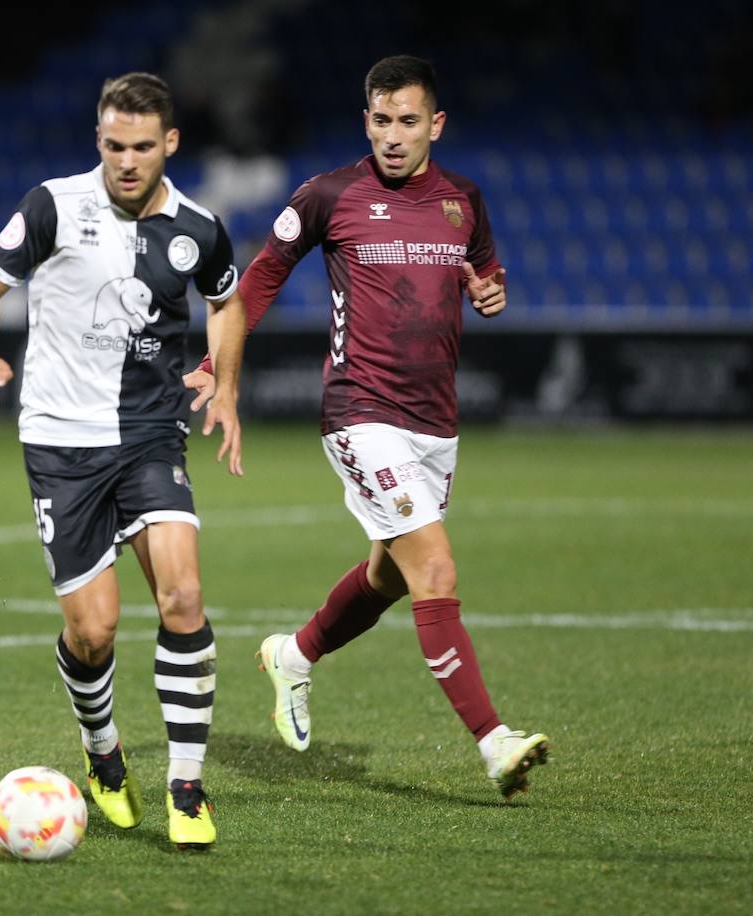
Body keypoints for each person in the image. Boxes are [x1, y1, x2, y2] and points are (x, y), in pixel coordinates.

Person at [186, 55, 549, 799]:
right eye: (381, 121)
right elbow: (257, 282)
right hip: (360, 411)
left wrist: (491, 294)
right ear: (366, 122)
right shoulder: (330, 195)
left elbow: (486, 272)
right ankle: (493, 742)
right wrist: (219, 370)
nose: (393, 135)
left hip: (433, 423)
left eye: (408, 121)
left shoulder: (464, 201)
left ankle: (295, 653)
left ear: (435, 125)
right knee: (437, 571)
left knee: (391, 573)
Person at [0, 72, 247, 847]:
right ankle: (103, 753)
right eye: (115, 145)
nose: (127, 161)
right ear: (99, 140)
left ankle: (187, 790)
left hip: (150, 433)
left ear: (170, 144)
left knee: (182, 596)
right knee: (94, 632)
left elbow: (227, 298)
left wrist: (224, 380)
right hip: (60, 442)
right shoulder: (52, 206)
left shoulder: (196, 224)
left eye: (143, 147)